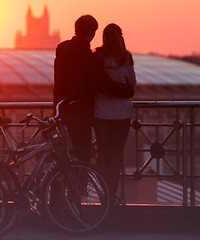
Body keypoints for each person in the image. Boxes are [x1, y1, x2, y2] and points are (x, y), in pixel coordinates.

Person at [53, 15, 134, 164]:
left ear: (75, 30)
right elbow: (102, 84)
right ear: (93, 34)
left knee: (62, 160)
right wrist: (127, 91)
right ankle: (78, 188)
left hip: (60, 113)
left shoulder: (62, 51)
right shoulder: (88, 58)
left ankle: (55, 187)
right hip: (80, 115)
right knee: (81, 158)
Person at [93, 23, 137, 198]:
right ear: (121, 37)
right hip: (121, 114)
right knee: (116, 154)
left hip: (100, 113)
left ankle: (101, 190)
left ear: (103, 38)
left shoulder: (96, 57)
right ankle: (111, 192)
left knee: (102, 152)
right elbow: (132, 83)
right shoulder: (125, 57)